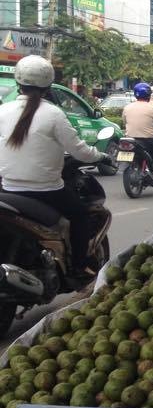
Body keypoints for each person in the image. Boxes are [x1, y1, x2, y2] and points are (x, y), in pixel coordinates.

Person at [0, 55, 110, 275]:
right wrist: (100, 156)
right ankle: (79, 266)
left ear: (18, 82)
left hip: (8, 189)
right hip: (46, 191)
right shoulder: (54, 114)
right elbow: (79, 150)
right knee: (80, 216)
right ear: (48, 85)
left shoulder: (4, 110)